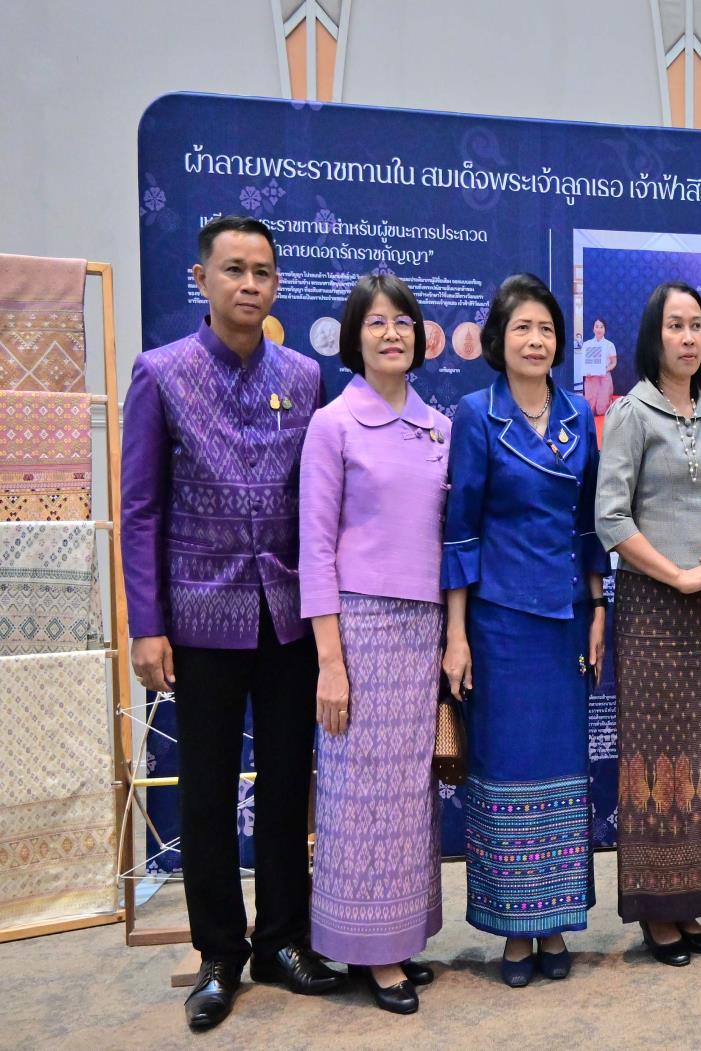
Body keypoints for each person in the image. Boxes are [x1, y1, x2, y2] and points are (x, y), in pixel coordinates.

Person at [122, 215, 345, 1032]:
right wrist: (148, 624)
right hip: (198, 615)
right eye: (234, 270)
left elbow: (320, 501)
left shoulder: (305, 376)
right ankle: (219, 952)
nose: (249, 284)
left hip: (287, 615)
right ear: (202, 279)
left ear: (277, 283)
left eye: (262, 272)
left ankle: (283, 940)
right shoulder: (161, 373)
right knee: (208, 790)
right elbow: (141, 508)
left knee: (288, 782)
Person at [439, 274, 607, 988]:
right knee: (507, 769)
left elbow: (588, 523)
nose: (536, 341)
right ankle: (515, 930)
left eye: (545, 329)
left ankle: (557, 920)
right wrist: (456, 635)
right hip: (500, 622)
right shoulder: (477, 415)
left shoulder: (578, 415)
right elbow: (459, 530)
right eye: (522, 329)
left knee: (562, 769)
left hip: (565, 622)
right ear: (498, 341)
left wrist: (598, 607)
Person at [298, 274, 448, 1013]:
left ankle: (398, 935)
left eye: (404, 322)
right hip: (358, 629)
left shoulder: (439, 426)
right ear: (355, 337)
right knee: (360, 791)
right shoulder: (333, 424)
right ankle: (371, 952)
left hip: (425, 629)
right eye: (377, 322)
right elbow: (314, 548)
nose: (393, 334)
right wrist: (330, 662)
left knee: (410, 792)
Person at [596, 281, 701, 966]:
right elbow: (610, 518)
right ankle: (657, 910)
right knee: (654, 758)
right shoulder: (631, 412)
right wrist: (677, 574)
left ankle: (691, 900)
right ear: (653, 336)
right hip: (653, 610)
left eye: (696, 327)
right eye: (675, 326)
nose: (688, 338)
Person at [581, 317, 617, 415]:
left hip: (604, 377)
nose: (599, 329)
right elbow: (583, 362)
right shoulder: (587, 344)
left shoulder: (609, 345)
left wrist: (605, 370)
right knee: (590, 408)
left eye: (601, 327)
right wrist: (585, 372)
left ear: (605, 329)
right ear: (593, 329)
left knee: (602, 409)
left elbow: (614, 363)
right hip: (591, 378)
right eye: (596, 327)